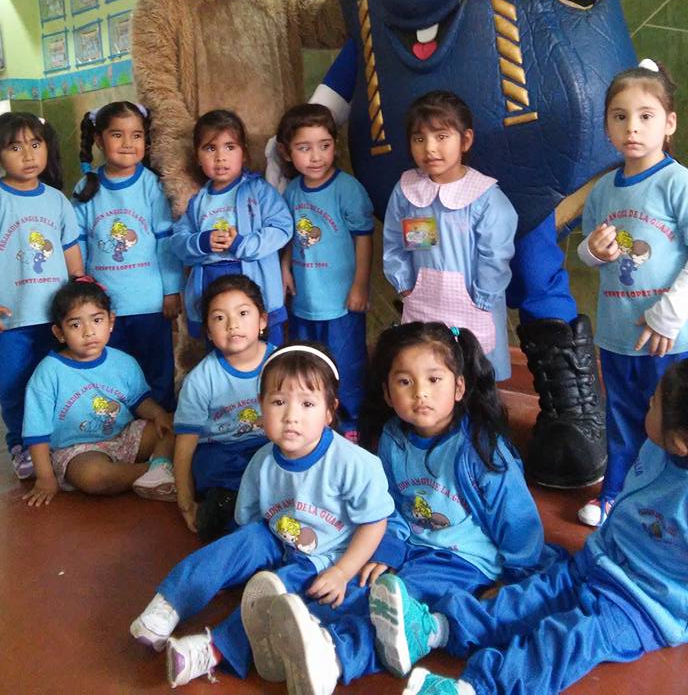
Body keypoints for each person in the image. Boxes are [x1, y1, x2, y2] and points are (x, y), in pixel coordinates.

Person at [249, 321, 552, 694]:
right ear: (388, 394)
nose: (420, 393)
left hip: (463, 559)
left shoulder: (481, 447)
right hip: (411, 546)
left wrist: (515, 579)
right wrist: (390, 547)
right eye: (405, 382)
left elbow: (518, 519)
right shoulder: (393, 438)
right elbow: (389, 504)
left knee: (396, 609)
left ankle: (335, 657)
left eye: (434, 380)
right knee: (362, 584)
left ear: (459, 387)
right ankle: (297, 637)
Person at [368, 358, 688, 695]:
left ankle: (476, 689)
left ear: (681, 440)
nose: (649, 401)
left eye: (656, 401)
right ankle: (435, 628)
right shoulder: (657, 446)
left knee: (565, 640)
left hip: (642, 606)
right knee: (530, 596)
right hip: (598, 561)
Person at [130, 343, 394, 691]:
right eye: (278, 402)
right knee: (242, 541)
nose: (291, 416)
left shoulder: (355, 464)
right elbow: (249, 521)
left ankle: (211, 651)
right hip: (277, 538)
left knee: (282, 592)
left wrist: (343, 571)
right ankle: (170, 603)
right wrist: (242, 561)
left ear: (330, 411)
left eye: (308, 404)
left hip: (324, 557)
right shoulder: (261, 463)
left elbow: (375, 522)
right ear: (260, 408)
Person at [577, 59, 688, 527]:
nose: (632, 128)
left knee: (673, 427)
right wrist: (593, 251)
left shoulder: (677, 181)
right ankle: (615, 497)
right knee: (622, 421)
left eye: (646, 116)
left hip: (669, 337)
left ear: (669, 122)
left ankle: (671, 509)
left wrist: (670, 312)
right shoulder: (603, 190)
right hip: (617, 334)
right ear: (606, 125)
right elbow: (587, 253)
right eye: (619, 116)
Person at [0, 112, 83, 479]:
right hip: (12, 318)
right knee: (16, 383)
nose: (29, 154)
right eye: (15, 147)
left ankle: (58, 439)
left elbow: (71, 253)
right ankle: (21, 444)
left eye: (35, 144)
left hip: (56, 317)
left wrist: (82, 290)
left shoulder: (56, 200)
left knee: (58, 379)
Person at [383, 91, 518, 380]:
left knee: (474, 377)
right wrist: (405, 285)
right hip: (423, 303)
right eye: (419, 139)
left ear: (465, 140)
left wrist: (482, 300)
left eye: (442, 136)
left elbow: (495, 255)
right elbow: (394, 242)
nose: (430, 148)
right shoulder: (407, 192)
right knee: (429, 375)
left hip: (473, 304)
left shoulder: (484, 197)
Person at [21, 276, 176, 505]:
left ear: (110, 322)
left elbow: (140, 402)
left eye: (96, 320)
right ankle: (155, 471)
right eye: (75, 324)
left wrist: (158, 415)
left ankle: (155, 468)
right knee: (95, 477)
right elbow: (37, 434)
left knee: (176, 423)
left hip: (124, 436)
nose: (88, 332)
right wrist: (45, 478)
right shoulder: (48, 373)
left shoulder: (123, 362)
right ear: (59, 332)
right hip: (78, 451)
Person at [72, 101, 183, 410]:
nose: (128, 144)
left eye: (136, 135)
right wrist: (80, 286)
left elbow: (165, 242)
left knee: (157, 373)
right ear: (98, 140)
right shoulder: (86, 187)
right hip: (103, 308)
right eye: (117, 135)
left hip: (149, 304)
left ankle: (161, 436)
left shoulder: (152, 185)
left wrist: (172, 290)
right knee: (113, 371)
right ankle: (122, 434)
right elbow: (77, 240)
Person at [277, 103, 374, 435]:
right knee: (309, 364)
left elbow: (364, 238)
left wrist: (360, 285)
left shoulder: (347, 189)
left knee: (347, 365)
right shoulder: (291, 192)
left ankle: (353, 424)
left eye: (325, 146)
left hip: (342, 302)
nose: (316, 156)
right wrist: (285, 269)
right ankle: (314, 421)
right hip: (305, 300)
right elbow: (288, 235)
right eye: (304, 148)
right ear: (287, 153)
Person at [171, 109, 292, 346]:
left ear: (243, 153)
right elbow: (178, 241)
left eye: (229, 147)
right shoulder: (198, 201)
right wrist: (202, 242)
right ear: (197, 156)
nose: (220, 157)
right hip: (210, 284)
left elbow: (282, 227)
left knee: (268, 354)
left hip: (255, 284)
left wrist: (242, 244)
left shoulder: (259, 191)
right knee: (221, 350)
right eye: (210, 148)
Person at [173, 274, 274, 541]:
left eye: (243, 313)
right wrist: (184, 501)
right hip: (221, 451)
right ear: (207, 331)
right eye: (219, 318)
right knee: (214, 470)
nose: (232, 325)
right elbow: (185, 445)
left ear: (262, 320)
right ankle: (231, 516)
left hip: (269, 445)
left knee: (281, 465)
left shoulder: (280, 364)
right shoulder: (201, 379)